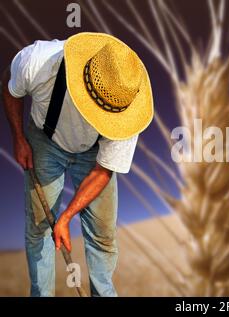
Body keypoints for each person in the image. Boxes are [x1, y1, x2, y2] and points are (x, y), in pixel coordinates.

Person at [1, 32, 154, 297]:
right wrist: (18, 138)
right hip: (45, 141)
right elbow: (9, 86)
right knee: (40, 228)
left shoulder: (127, 101)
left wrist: (67, 216)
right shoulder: (37, 61)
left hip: (94, 156)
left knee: (103, 236)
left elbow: (104, 169)